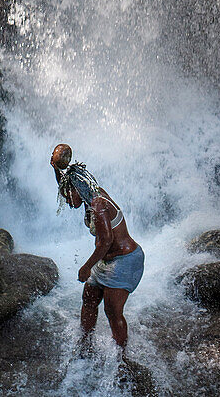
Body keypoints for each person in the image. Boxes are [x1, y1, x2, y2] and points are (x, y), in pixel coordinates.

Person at [51, 145, 144, 349]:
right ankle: (85, 344)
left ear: (77, 189)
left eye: (68, 195)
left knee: (112, 310)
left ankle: (121, 356)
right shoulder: (87, 196)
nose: (66, 200)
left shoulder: (99, 203)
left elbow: (106, 241)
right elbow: (67, 183)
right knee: (89, 297)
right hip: (107, 260)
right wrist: (55, 168)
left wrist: (86, 267)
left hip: (126, 260)